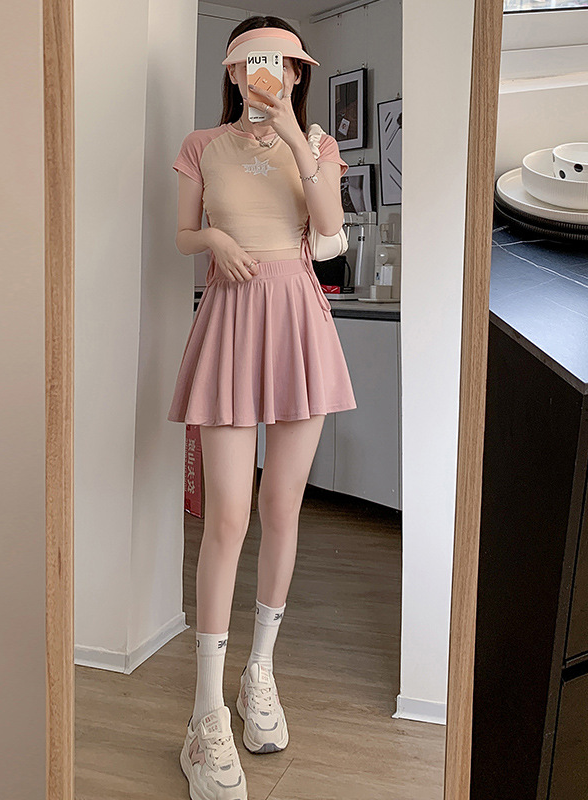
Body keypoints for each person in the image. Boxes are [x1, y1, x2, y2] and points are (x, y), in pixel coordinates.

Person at [169, 17, 357, 800]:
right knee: (228, 518)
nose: (269, 73)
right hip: (230, 321)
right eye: (255, 62)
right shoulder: (201, 146)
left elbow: (330, 231)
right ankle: (206, 715)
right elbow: (182, 234)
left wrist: (291, 137)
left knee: (283, 509)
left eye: (282, 63)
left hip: (298, 323)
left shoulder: (316, 145)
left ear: (298, 73)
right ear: (234, 71)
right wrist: (214, 239)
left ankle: (259, 675)